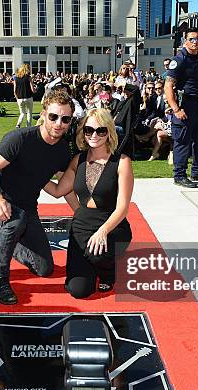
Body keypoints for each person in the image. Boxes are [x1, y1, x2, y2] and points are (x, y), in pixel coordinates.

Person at [0, 89, 74, 305]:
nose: (59, 123)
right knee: (15, 221)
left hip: (28, 209)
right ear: (42, 114)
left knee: (44, 269)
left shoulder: (62, 151)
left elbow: (64, 187)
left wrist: (81, 213)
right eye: (53, 116)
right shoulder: (18, 139)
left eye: (65, 119)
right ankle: (0, 279)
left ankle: (1, 239)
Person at [44, 109, 133, 298]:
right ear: (83, 132)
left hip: (111, 225)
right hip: (82, 225)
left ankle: (108, 273)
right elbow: (58, 191)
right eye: (89, 130)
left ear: (109, 132)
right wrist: (35, 172)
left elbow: (123, 208)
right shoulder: (78, 160)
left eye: (100, 130)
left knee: (97, 254)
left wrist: (102, 231)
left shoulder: (122, 162)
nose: (94, 135)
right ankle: (92, 266)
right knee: (79, 290)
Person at [164, 27, 198, 188]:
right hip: (183, 103)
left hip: (196, 104)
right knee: (182, 140)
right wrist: (176, 109)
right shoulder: (179, 59)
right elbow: (168, 86)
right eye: (191, 39)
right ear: (185, 41)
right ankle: (179, 175)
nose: (195, 42)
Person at [13, 64, 36, 128]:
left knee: (22, 113)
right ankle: (28, 126)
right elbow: (33, 90)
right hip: (28, 97)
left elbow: (14, 90)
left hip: (19, 98)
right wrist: (35, 90)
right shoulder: (29, 77)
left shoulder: (16, 78)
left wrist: (17, 98)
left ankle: (18, 124)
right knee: (29, 113)